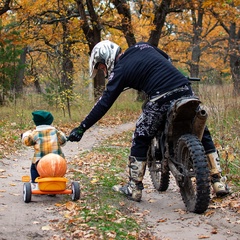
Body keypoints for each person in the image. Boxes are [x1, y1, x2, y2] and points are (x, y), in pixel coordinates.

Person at [68, 40, 229, 201]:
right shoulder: (142, 45)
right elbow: (167, 59)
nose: (104, 71)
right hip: (185, 89)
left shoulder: (120, 70)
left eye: (102, 67)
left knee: (141, 134)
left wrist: (82, 128)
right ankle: (218, 180)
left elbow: (104, 103)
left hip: (161, 97)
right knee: (201, 130)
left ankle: (134, 187)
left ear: (106, 57)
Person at [22, 110, 67, 183]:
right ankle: (57, 183)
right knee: (58, 170)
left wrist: (25, 135)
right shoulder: (56, 132)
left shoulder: (35, 134)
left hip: (40, 162)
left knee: (34, 168)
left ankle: (35, 183)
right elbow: (63, 140)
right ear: (50, 122)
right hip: (57, 161)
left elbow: (27, 142)